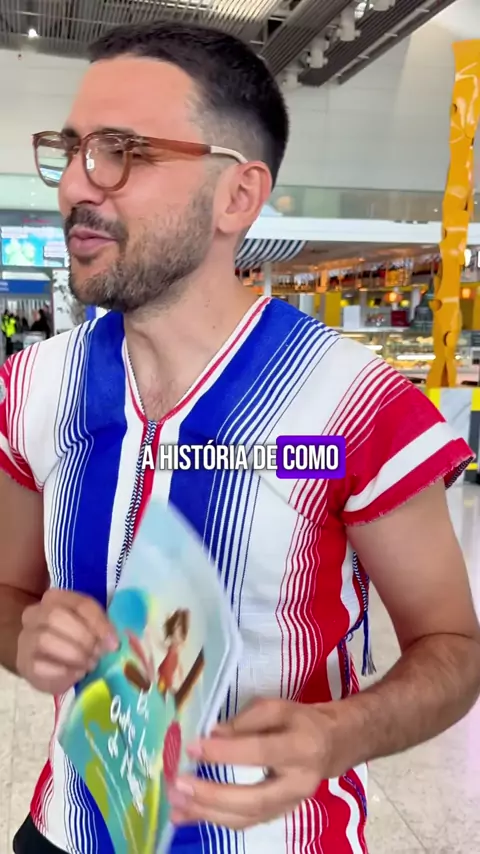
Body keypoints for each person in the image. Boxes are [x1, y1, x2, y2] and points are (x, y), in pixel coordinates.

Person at [0, 20, 479, 854]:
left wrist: (341, 733)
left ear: (238, 196)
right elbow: (7, 595)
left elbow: (454, 647)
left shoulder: (357, 404)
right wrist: (25, 636)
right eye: (72, 149)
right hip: (67, 830)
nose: (76, 183)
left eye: (121, 151)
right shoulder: (32, 387)